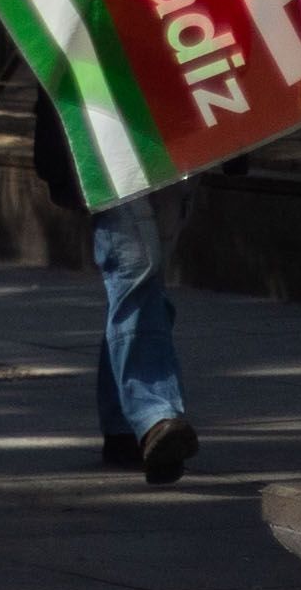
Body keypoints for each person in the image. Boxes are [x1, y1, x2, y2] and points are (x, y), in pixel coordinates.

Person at [28, 94, 198, 485]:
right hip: (102, 121)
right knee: (135, 270)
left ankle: (124, 427)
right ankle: (155, 415)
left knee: (144, 281)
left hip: (176, 115)